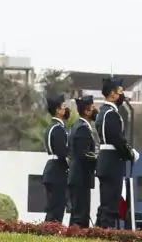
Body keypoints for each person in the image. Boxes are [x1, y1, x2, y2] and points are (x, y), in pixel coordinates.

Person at [96, 76, 138, 228]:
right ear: (112, 94)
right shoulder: (111, 114)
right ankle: (104, 234)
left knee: (105, 205)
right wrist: (129, 153)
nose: (122, 95)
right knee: (110, 206)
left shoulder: (103, 112)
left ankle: (97, 234)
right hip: (112, 162)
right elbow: (117, 140)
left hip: (106, 161)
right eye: (120, 91)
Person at [68, 94, 98, 228]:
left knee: (79, 213)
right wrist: (99, 160)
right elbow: (83, 154)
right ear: (87, 111)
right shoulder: (82, 128)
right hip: (80, 177)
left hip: (80, 177)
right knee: (80, 216)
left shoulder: (80, 126)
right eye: (93, 107)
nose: (96, 110)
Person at [41, 95, 70, 223]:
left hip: (52, 170)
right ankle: (50, 231)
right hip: (58, 171)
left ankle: (48, 231)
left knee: (53, 207)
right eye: (63, 106)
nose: (66, 108)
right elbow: (62, 152)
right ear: (58, 110)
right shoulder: (58, 128)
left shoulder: (53, 126)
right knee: (56, 210)